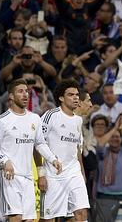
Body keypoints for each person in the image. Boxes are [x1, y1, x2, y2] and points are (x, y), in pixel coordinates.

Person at [0, 79, 62, 221]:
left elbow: (40, 144)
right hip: (8, 177)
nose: (25, 94)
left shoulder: (34, 119)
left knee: (30, 220)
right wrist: (5, 161)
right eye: (20, 91)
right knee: (16, 218)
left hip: (28, 178)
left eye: (27, 91)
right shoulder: (1, 120)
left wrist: (52, 159)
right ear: (11, 96)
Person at [37, 79, 89, 221]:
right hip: (52, 175)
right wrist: (41, 174)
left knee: (81, 214)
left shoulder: (78, 120)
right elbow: (38, 144)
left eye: (77, 94)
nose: (76, 97)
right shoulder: (50, 115)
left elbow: (77, 151)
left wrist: (82, 175)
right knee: (48, 219)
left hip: (73, 174)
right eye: (71, 94)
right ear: (61, 98)